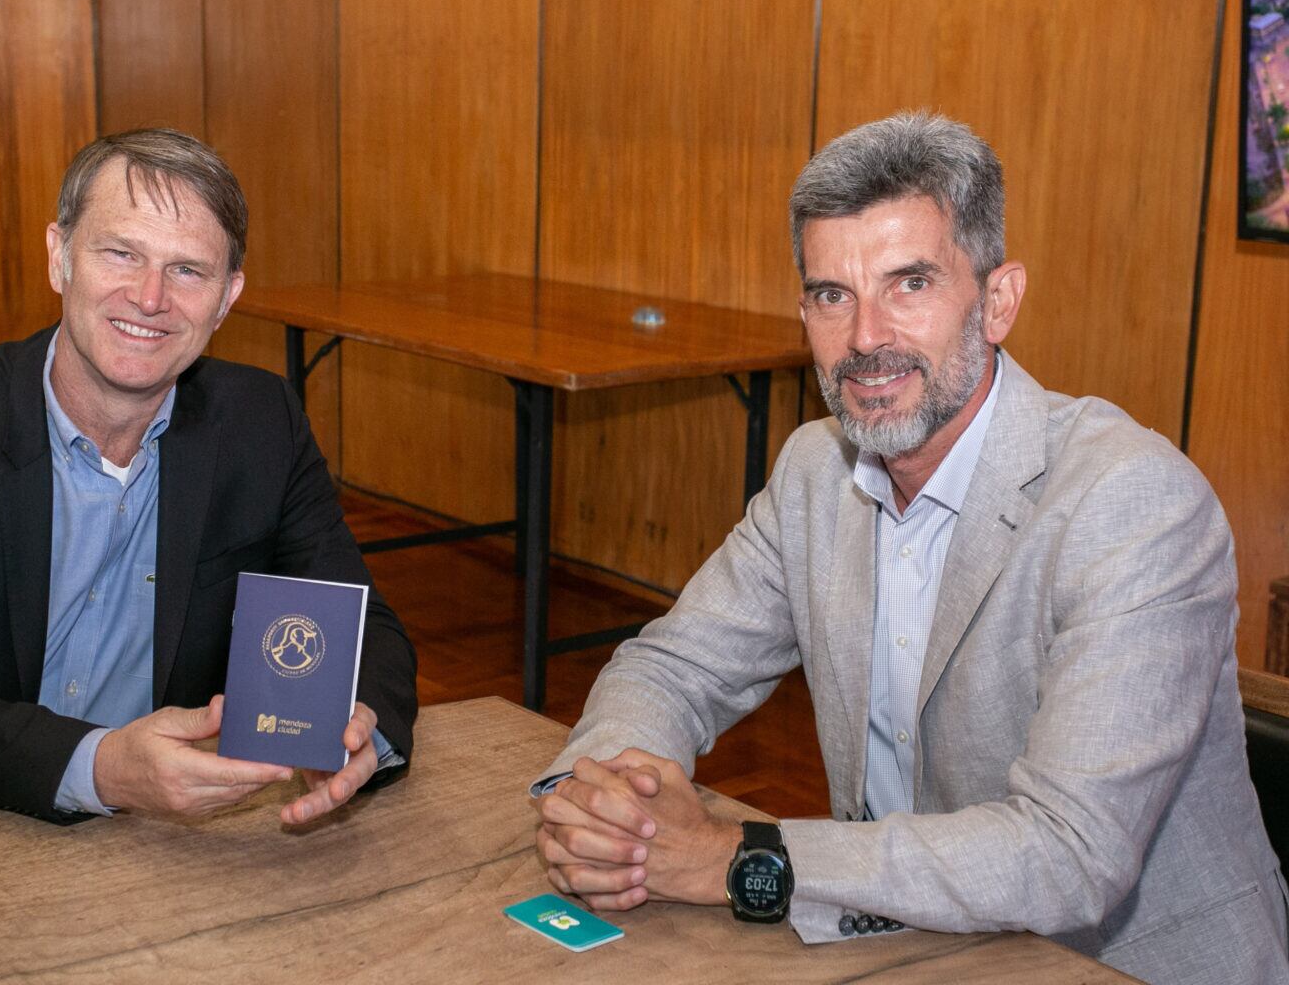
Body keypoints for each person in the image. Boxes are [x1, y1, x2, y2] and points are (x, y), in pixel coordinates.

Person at [532, 112, 1289, 985]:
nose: (864, 338)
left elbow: (1068, 855)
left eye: (911, 284)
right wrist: (610, 800)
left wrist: (736, 857)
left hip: (1117, 964)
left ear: (998, 301)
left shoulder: (1130, 503)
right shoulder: (818, 470)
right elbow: (674, 666)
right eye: (831, 294)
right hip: (911, 947)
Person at [0, 129, 417, 826]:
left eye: (188, 270)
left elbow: (364, 624)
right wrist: (100, 767)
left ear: (227, 298)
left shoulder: (261, 422)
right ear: (59, 257)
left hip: (142, 850)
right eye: (121, 253)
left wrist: (357, 731)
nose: (150, 296)